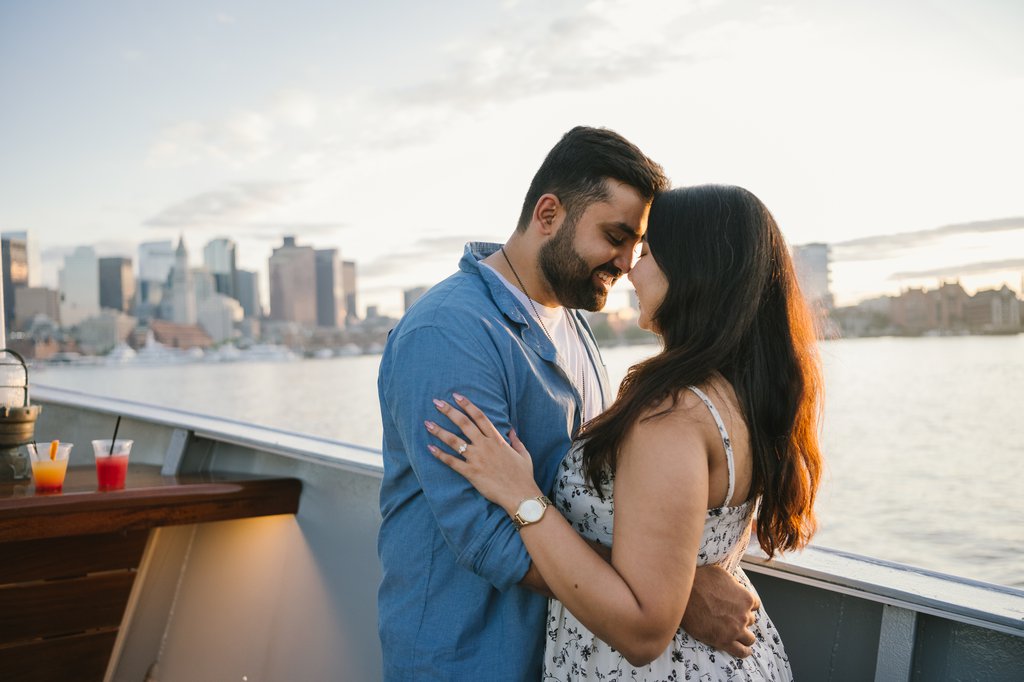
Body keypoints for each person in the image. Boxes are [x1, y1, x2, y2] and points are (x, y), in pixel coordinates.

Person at [377, 129, 761, 680]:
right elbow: (488, 536)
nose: (627, 262)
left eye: (639, 245)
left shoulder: (573, 322)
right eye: (615, 236)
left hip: (565, 655)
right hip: (470, 657)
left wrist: (659, 579)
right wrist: (674, 594)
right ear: (549, 214)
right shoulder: (448, 333)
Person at [427, 184, 824, 680]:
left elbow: (642, 630)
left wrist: (521, 496)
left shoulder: (672, 418)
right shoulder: (734, 393)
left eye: (649, 252)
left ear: (695, 270)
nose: (631, 269)